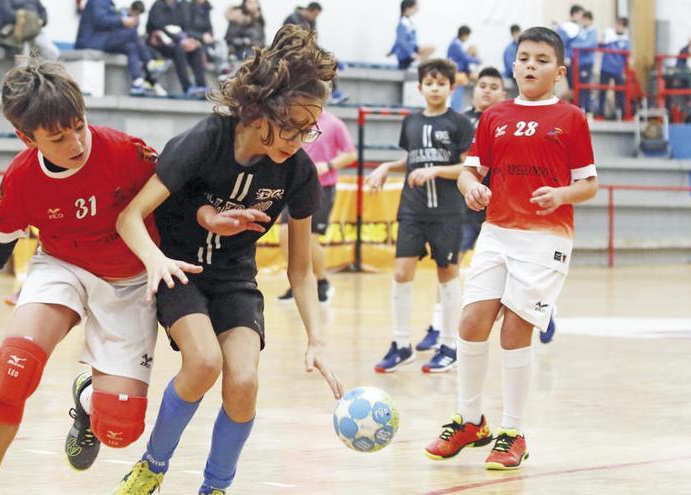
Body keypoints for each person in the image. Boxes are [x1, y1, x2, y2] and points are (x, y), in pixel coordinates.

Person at [0, 60, 168, 494]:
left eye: (79, 126)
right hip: (63, 268)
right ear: (27, 138)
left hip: (129, 282)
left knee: (120, 428)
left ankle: (88, 398)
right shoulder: (20, 180)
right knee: (11, 370)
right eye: (58, 137)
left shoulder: (128, 152)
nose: (76, 142)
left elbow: (177, 203)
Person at [111, 24, 344, 494]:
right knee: (203, 363)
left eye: (310, 128)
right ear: (261, 112)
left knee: (243, 381)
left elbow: (300, 269)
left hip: (236, 280)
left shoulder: (299, 173)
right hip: (180, 270)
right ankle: (151, 469)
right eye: (292, 126)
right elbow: (130, 216)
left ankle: (215, 487)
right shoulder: (205, 140)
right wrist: (156, 261)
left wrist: (317, 339)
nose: (300, 139)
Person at [424, 26, 598, 470]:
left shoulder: (571, 118)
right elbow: (470, 171)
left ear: (558, 72)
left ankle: (513, 432)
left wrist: (561, 195)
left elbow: (589, 184)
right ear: (513, 63)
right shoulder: (495, 115)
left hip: (545, 238)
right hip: (497, 233)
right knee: (470, 321)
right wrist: (469, 188)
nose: (530, 66)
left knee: (515, 332)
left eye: (541, 60)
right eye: (524, 58)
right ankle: (469, 421)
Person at [366, 59, 474, 374]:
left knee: (447, 274)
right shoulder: (410, 122)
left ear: (452, 88)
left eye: (442, 83)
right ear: (420, 87)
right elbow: (412, 159)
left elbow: (468, 167)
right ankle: (401, 346)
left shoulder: (459, 123)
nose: (435, 88)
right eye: (430, 83)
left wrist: (437, 170)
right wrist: (386, 167)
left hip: (447, 212)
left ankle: (449, 345)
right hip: (412, 210)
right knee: (401, 273)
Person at [416, 66, 507, 373]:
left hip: (502, 207)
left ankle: (545, 312)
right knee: (448, 266)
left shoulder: (507, 122)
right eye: (483, 85)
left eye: (494, 87)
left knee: (514, 268)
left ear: (504, 94)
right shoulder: (460, 121)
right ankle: (438, 325)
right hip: (465, 206)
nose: (487, 91)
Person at [277, 109, 356, 302]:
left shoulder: (334, 123)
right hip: (293, 187)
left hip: (322, 187)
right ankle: (297, 282)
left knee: (310, 238)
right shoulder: (292, 118)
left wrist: (328, 166)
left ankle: (322, 282)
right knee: (285, 235)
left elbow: (351, 154)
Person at [75, 0, 158, 96]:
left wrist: (123, 22)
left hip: (102, 39)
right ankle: (149, 63)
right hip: (90, 41)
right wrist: (122, 21)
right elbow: (100, 21)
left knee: (130, 47)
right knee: (131, 33)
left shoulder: (108, 3)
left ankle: (137, 82)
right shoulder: (98, 1)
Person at [282, 3, 347, 105]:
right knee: (318, 63)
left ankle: (333, 91)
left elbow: (312, 42)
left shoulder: (311, 21)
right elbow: (289, 41)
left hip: (306, 51)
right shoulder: (292, 19)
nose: (315, 18)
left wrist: (326, 54)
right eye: (315, 15)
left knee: (328, 60)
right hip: (293, 53)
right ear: (309, 10)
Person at [146, 0, 208, 97]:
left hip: (178, 41)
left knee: (196, 48)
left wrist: (189, 40)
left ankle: (201, 85)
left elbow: (184, 27)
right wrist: (179, 40)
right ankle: (187, 87)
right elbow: (159, 27)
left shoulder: (179, 7)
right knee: (179, 49)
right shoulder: (157, 6)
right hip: (161, 44)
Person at [598, 17, 630, 119]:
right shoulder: (609, 35)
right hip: (606, 68)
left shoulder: (625, 40)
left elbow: (627, 57)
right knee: (602, 91)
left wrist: (625, 70)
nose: (618, 27)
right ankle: (600, 113)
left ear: (624, 27)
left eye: (621, 25)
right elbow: (600, 44)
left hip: (618, 70)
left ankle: (622, 113)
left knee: (620, 93)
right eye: (617, 24)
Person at [447, 25, 481, 110]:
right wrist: (477, 60)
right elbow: (464, 58)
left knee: (478, 79)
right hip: (457, 72)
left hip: (462, 70)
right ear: (465, 35)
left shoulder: (458, 44)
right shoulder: (456, 44)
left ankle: (476, 103)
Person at [571, 10, 597, 113]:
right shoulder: (581, 31)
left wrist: (576, 46)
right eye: (583, 19)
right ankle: (580, 107)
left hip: (587, 62)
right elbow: (575, 41)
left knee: (585, 86)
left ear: (590, 20)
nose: (584, 22)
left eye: (585, 19)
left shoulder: (592, 31)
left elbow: (589, 44)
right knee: (578, 85)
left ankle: (587, 109)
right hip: (578, 62)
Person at [555, 4, 583, 89]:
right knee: (573, 87)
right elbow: (561, 43)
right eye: (580, 14)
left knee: (575, 87)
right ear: (575, 14)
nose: (581, 17)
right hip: (569, 61)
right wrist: (565, 57)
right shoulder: (566, 27)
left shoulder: (578, 27)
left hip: (575, 61)